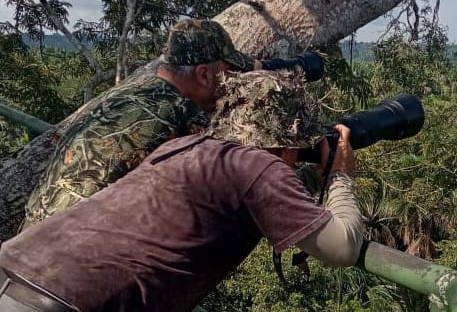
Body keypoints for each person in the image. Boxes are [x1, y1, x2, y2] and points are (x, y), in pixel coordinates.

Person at [0, 70, 364, 312]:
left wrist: (315, 176)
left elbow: (259, 198)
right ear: (287, 142)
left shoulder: (187, 147)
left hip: (15, 272)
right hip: (56, 302)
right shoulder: (256, 164)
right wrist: (340, 176)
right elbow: (342, 247)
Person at [22, 18, 256, 228]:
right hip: (78, 258)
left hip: (27, 246)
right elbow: (239, 179)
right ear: (204, 74)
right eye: (231, 73)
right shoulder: (184, 115)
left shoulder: (118, 96)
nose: (232, 82)